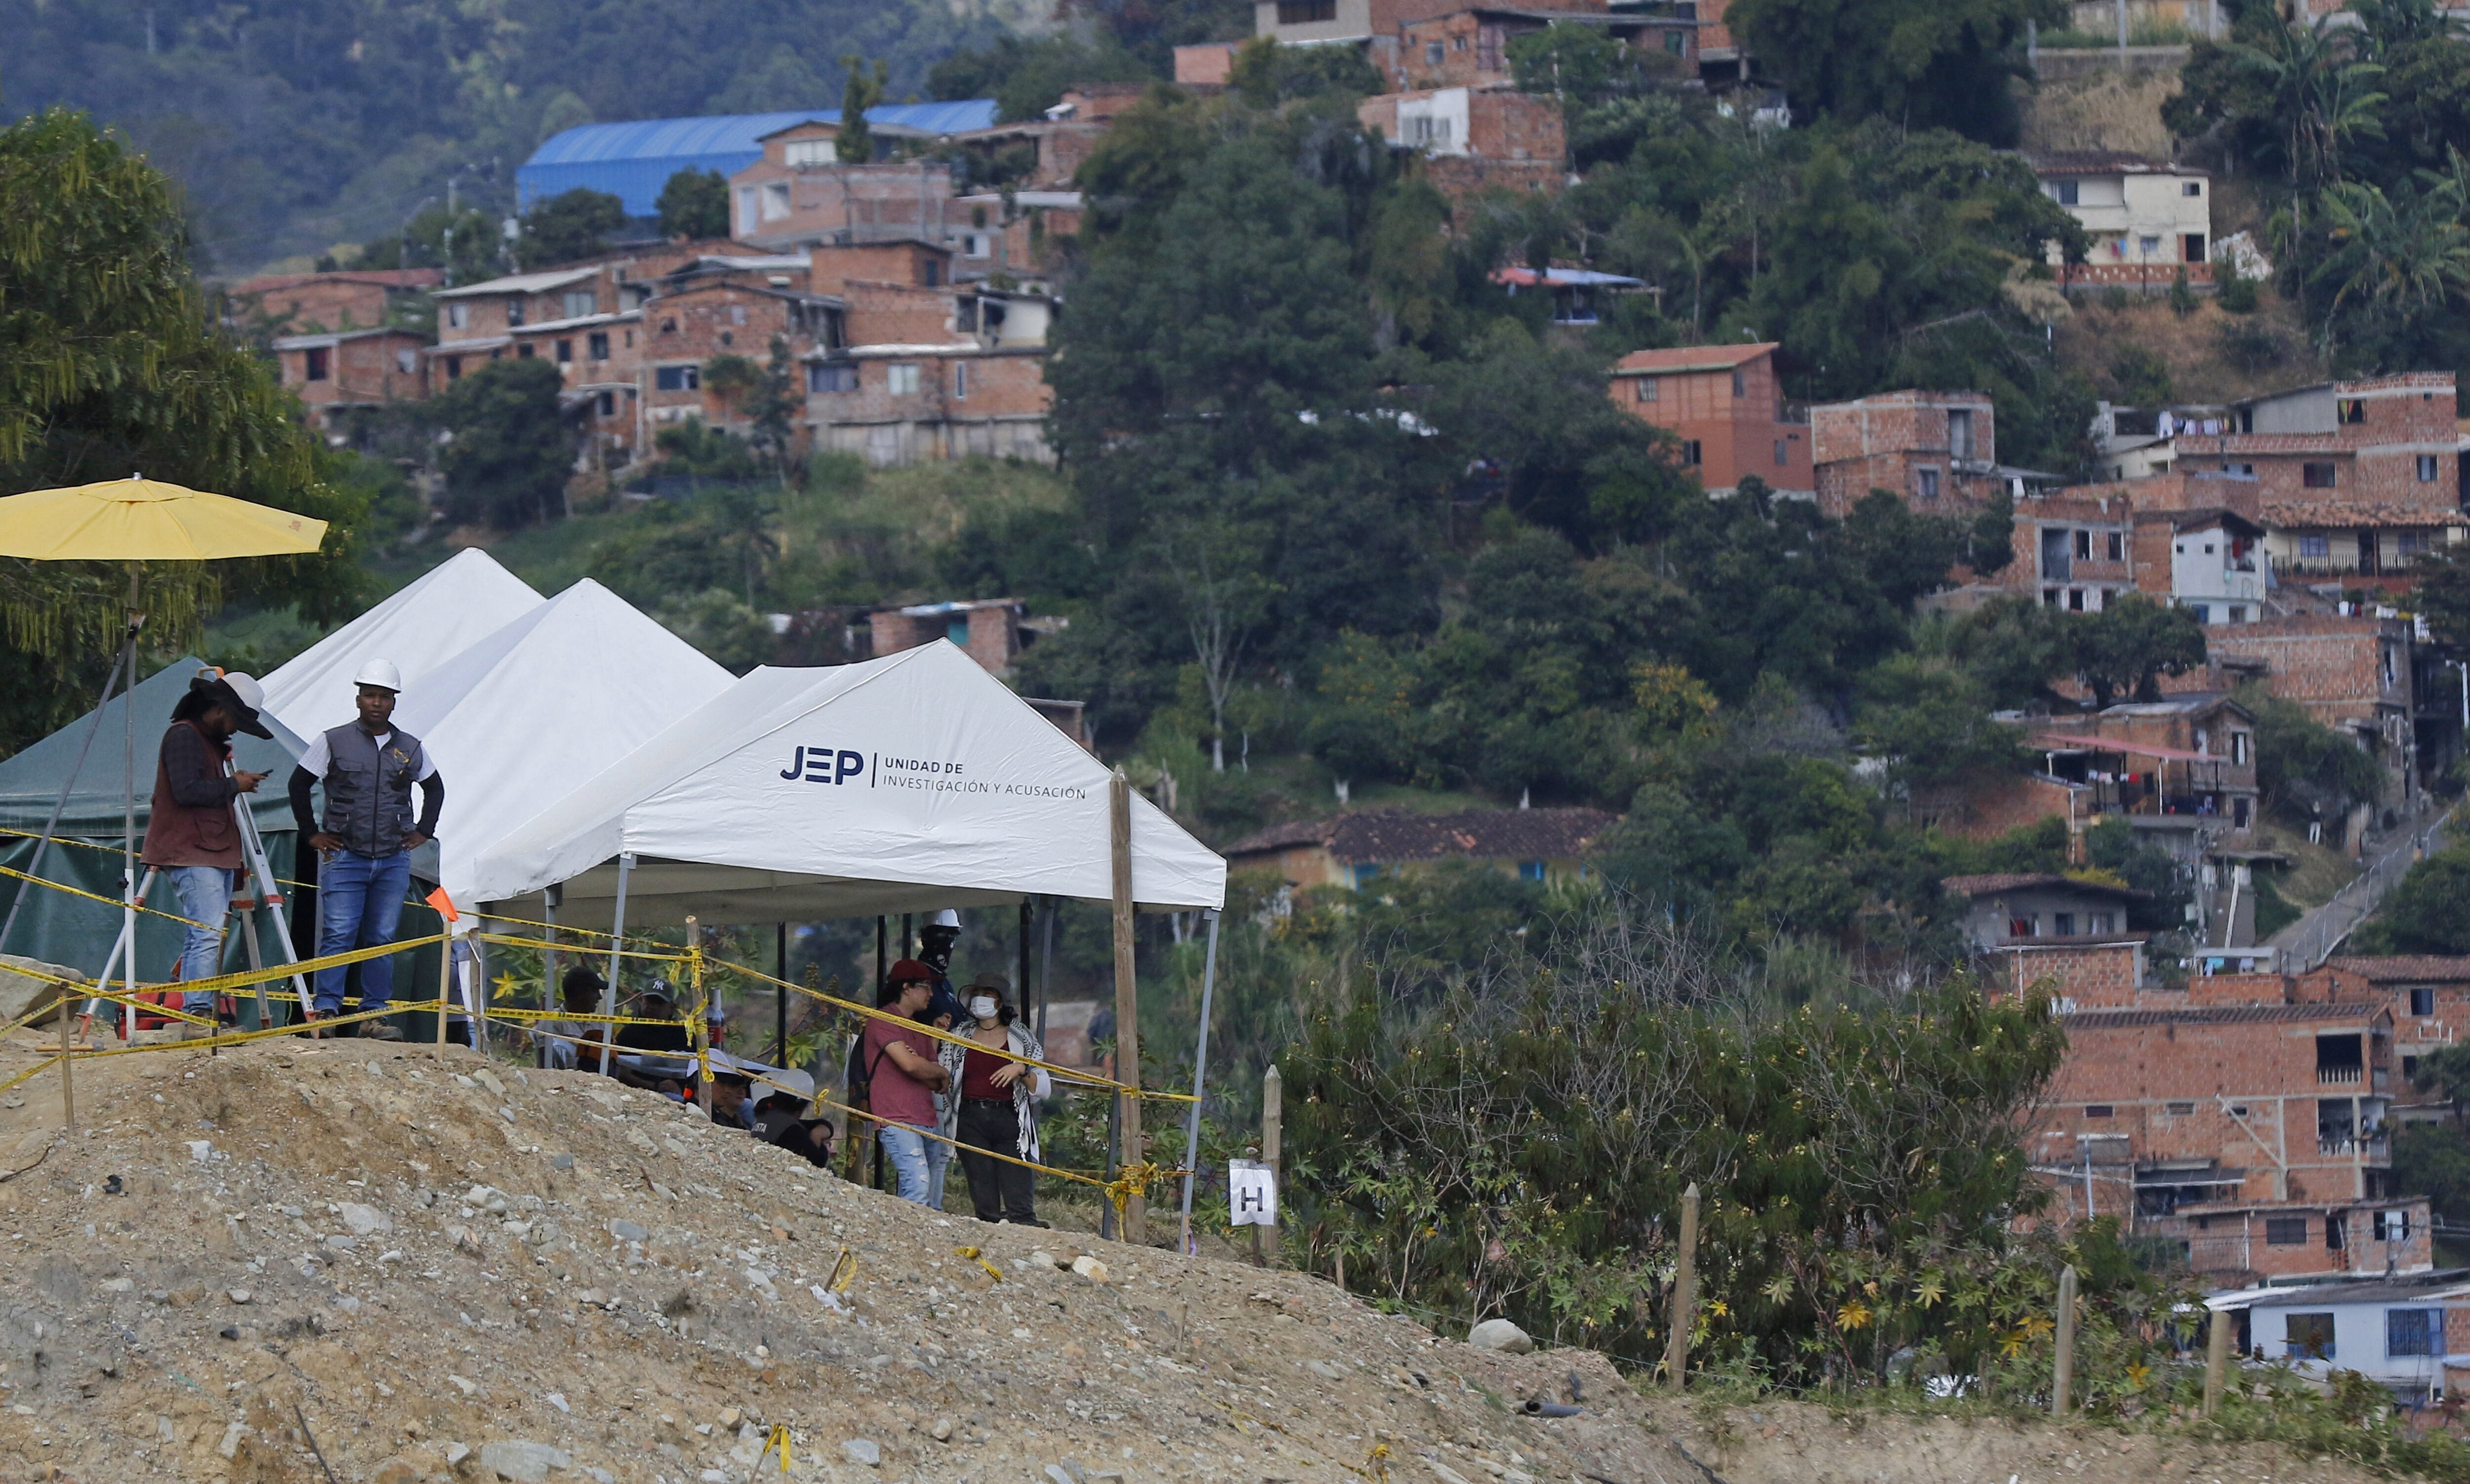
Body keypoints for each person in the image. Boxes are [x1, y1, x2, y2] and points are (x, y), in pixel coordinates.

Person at [287, 660, 444, 1038]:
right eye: (370, 695)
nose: (377, 702)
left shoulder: (410, 747)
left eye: (384, 697)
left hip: (393, 858)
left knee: (382, 937)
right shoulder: (332, 740)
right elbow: (298, 784)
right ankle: (327, 1012)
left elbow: (435, 788)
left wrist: (424, 831)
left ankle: (374, 1016)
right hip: (345, 855)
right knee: (339, 933)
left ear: (394, 702)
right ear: (358, 699)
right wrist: (311, 835)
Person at [140, 670, 274, 1035]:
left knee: (203, 932)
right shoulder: (184, 735)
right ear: (218, 710)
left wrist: (233, 782)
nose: (235, 729)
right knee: (208, 933)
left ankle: (196, 1013)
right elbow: (186, 791)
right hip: (193, 850)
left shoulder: (204, 740)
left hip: (208, 850)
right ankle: (198, 1016)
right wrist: (233, 785)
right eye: (234, 720)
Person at [937, 971, 1051, 1226]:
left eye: (987, 994)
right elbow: (942, 1072)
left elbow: (1044, 1087)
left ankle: (1025, 1231)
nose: (980, 999)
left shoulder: (1021, 1038)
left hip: (1009, 1117)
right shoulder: (960, 1035)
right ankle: (990, 1231)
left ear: (1001, 1001)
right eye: (977, 994)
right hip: (969, 1117)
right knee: (983, 1191)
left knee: (1018, 1191)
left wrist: (1021, 1069)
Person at [861, 959, 951, 1206]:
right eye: (926, 987)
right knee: (918, 1187)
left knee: (931, 1197)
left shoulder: (919, 1029)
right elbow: (911, 1066)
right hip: (897, 1118)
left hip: (927, 1119)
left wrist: (929, 1067)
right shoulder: (883, 1020)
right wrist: (940, 1070)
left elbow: (935, 1083)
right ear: (907, 987)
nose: (931, 994)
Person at [750, 1071, 834, 1169]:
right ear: (802, 1105)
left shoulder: (765, 1118)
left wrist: (821, 1129)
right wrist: (820, 1141)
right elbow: (817, 1161)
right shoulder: (792, 1131)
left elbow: (809, 1124)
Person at [533, 966, 606, 1070]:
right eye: (595, 991)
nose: (599, 997)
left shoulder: (598, 1024)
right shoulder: (552, 1022)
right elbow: (546, 1065)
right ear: (580, 994)